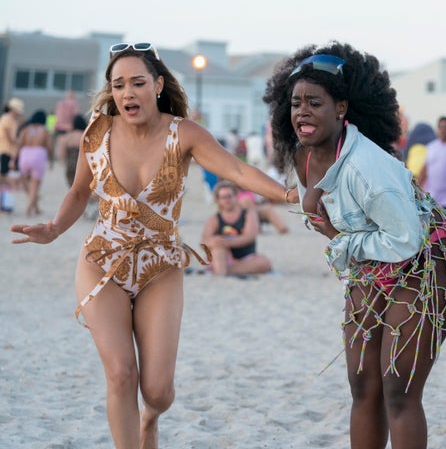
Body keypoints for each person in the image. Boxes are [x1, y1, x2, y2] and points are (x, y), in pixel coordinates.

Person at [10, 42, 297, 449]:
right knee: (121, 373)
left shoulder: (185, 135)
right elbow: (78, 191)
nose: (128, 92)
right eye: (119, 84)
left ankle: (151, 419)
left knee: (158, 392)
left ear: (158, 84)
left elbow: (235, 168)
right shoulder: (98, 132)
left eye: (138, 82)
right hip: (101, 262)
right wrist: (55, 228)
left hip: (159, 269)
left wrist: (287, 196)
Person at [263, 41, 446, 449]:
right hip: (374, 257)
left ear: (342, 108)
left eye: (315, 102)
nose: (302, 112)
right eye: (295, 103)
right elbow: (342, 232)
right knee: (363, 384)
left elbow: (403, 240)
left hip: (430, 257)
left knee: (397, 387)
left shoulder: (369, 168)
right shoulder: (303, 156)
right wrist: (327, 225)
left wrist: (338, 240)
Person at [201, 180, 272, 276]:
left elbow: (249, 236)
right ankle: (222, 272)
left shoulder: (247, 214)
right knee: (217, 248)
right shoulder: (214, 219)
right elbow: (204, 241)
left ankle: (225, 271)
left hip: (246, 257)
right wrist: (215, 242)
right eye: (223, 197)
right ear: (218, 200)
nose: (227, 200)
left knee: (264, 262)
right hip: (223, 256)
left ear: (236, 196)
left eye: (229, 196)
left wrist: (227, 242)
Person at [16, 110, 53, 216]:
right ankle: (29, 206)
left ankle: (35, 206)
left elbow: (19, 144)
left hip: (25, 154)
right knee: (35, 185)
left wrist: (14, 159)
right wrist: (51, 160)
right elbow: (49, 147)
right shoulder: (45, 131)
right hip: (39, 155)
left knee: (26, 182)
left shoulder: (26, 129)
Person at [57, 114, 87, 187]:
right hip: (84, 165)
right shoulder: (86, 135)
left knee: (72, 187)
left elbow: (62, 153)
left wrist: (63, 162)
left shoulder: (67, 137)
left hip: (70, 164)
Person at [0, 98, 24, 189]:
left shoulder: (12, 119)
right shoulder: (6, 118)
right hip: (4, 148)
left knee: (5, 170)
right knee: (3, 170)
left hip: (9, 149)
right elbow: (5, 130)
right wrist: (13, 141)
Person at [53, 90, 80, 156]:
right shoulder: (74, 104)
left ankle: (60, 159)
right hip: (69, 127)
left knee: (60, 146)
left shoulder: (60, 103)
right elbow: (76, 115)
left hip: (59, 127)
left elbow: (56, 115)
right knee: (69, 146)